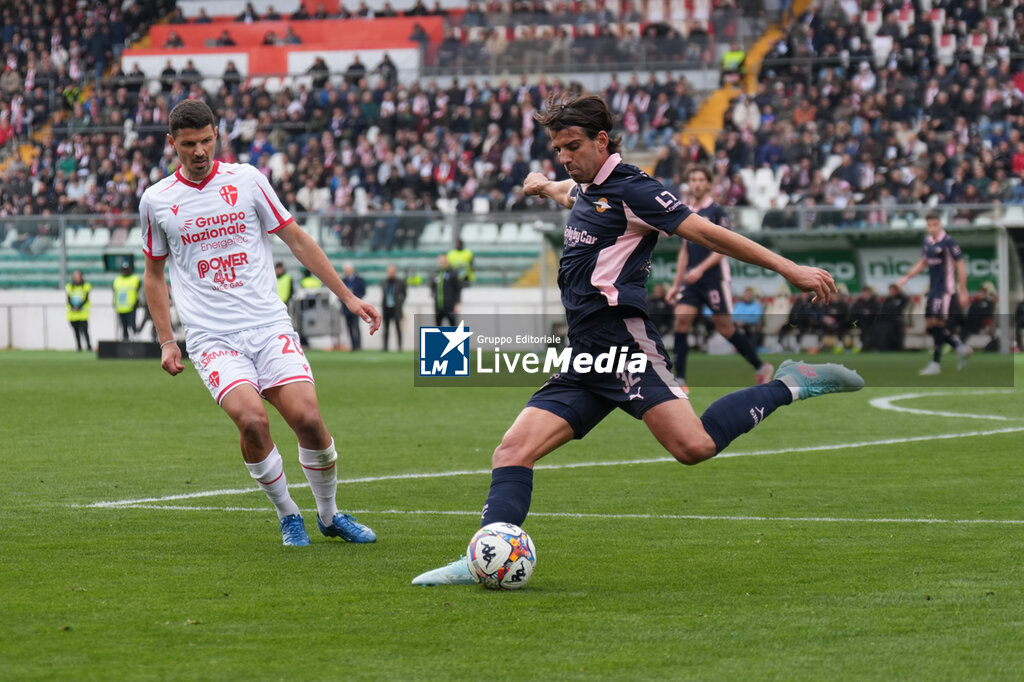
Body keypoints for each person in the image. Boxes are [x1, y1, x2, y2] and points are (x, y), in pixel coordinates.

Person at [412, 94, 863, 585]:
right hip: (584, 354)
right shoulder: (587, 186)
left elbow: (707, 233)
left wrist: (789, 268)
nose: (565, 156)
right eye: (558, 147)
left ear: (602, 141)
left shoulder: (636, 189)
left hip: (623, 343)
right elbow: (572, 193)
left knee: (694, 447)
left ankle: (790, 384)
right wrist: (544, 186)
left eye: (573, 145)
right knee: (511, 450)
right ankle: (482, 556)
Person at [140, 99, 381, 547]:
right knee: (252, 422)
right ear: (172, 143)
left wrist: (346, 296)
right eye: (188, 144)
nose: (199, 152)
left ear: (218, 134)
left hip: (268, 325)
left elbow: (296, 239)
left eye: (207, 141)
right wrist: (166, 341)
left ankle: (328, 515)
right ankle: (289, 514)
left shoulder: (248, 180)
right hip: (212, 338)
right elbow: (154, 275)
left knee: (308, 418)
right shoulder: (156, 200)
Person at [666, 164, 773, 391]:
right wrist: (676, 285)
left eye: (700, 179)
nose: (696, 183)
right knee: (681, 321)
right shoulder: (684, 212)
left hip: (714, 278)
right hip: (692, 281)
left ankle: (760, 367)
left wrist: (700, 269)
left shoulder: (716, 211)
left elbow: (723, 247)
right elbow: (684, 251)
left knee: (725, 328)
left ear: (708, 184)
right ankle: (681, 380)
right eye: (692, 179)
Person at [896, 211, 972, 375]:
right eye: (929, 225)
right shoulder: (927, 241)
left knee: (938, 325)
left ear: (940, 224)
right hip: (933, 291)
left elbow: (961, 265)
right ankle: (960, 347)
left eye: (934, 225)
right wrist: (906, 277)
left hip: (945, 291)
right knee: (930, 327)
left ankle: (936, 364)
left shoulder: (949, 242)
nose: (932, 228)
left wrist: (964, 291)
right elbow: (923, 263)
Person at [381, 263, 407, 351]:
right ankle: (385, 347)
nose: (390, 273)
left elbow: (404, 294)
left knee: (398, 328)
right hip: (386, 308)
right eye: (389, 272)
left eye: (392, 272)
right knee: (386, 329)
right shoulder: (384, 282)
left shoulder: (400, 282)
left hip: (396, 308)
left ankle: (399, 347)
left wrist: (400, 303)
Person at [113, 260, 141, 341]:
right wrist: (114, 303)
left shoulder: (135, 279)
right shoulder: (117, 280)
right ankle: (125, 341)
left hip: (131, 307)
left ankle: (136, 340)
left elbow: (140, 291)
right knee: (124, 327)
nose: (125, 271)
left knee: (132, 325)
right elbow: (115, 292)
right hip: (120, 307)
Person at [341, 263, 366, 351]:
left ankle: (358, 345)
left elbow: (362, 292)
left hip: (356, 307)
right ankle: (353, 345)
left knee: (356, 326)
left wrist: (355, 299)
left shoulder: (359, 280)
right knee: (349, 327)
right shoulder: (343, 281)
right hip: (346, 308)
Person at [431, 254, 461, 326]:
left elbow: (458, 288)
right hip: (438, 306)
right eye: (440, 259)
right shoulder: (436, 273)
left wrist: (457, 303)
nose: (441, 261)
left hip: (450, 306)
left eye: (443, 259)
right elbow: (432, 286)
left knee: (453, 327)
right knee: (438, 327)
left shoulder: (452, 273)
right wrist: (434, 294)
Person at [66, 269, 91, 352]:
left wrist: (79, 307)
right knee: (76, 331)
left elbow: (86, 298)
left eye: (78, 276)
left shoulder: (86, 286)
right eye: (75, 276)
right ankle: (79, 346)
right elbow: (68, 299)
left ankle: (88, 346)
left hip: (83, 313)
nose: (77, 278)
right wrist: (73, 307)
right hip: (73, 314)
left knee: (84, 331)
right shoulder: (69, 287)